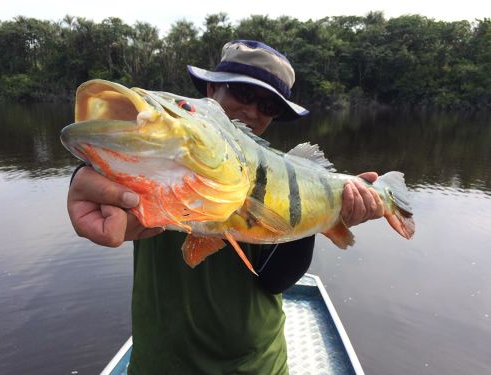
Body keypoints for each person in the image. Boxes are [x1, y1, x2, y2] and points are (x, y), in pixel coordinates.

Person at [67, 40, 382, 374]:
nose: (253, 111)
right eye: (242, 93)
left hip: (253, 366)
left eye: (268, 105)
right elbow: (115, 156)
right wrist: (82, 178)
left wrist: (317, 217)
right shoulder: (170, 150)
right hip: (159, 364)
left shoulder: (275, 174)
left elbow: (276, 280)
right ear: (212, 87)